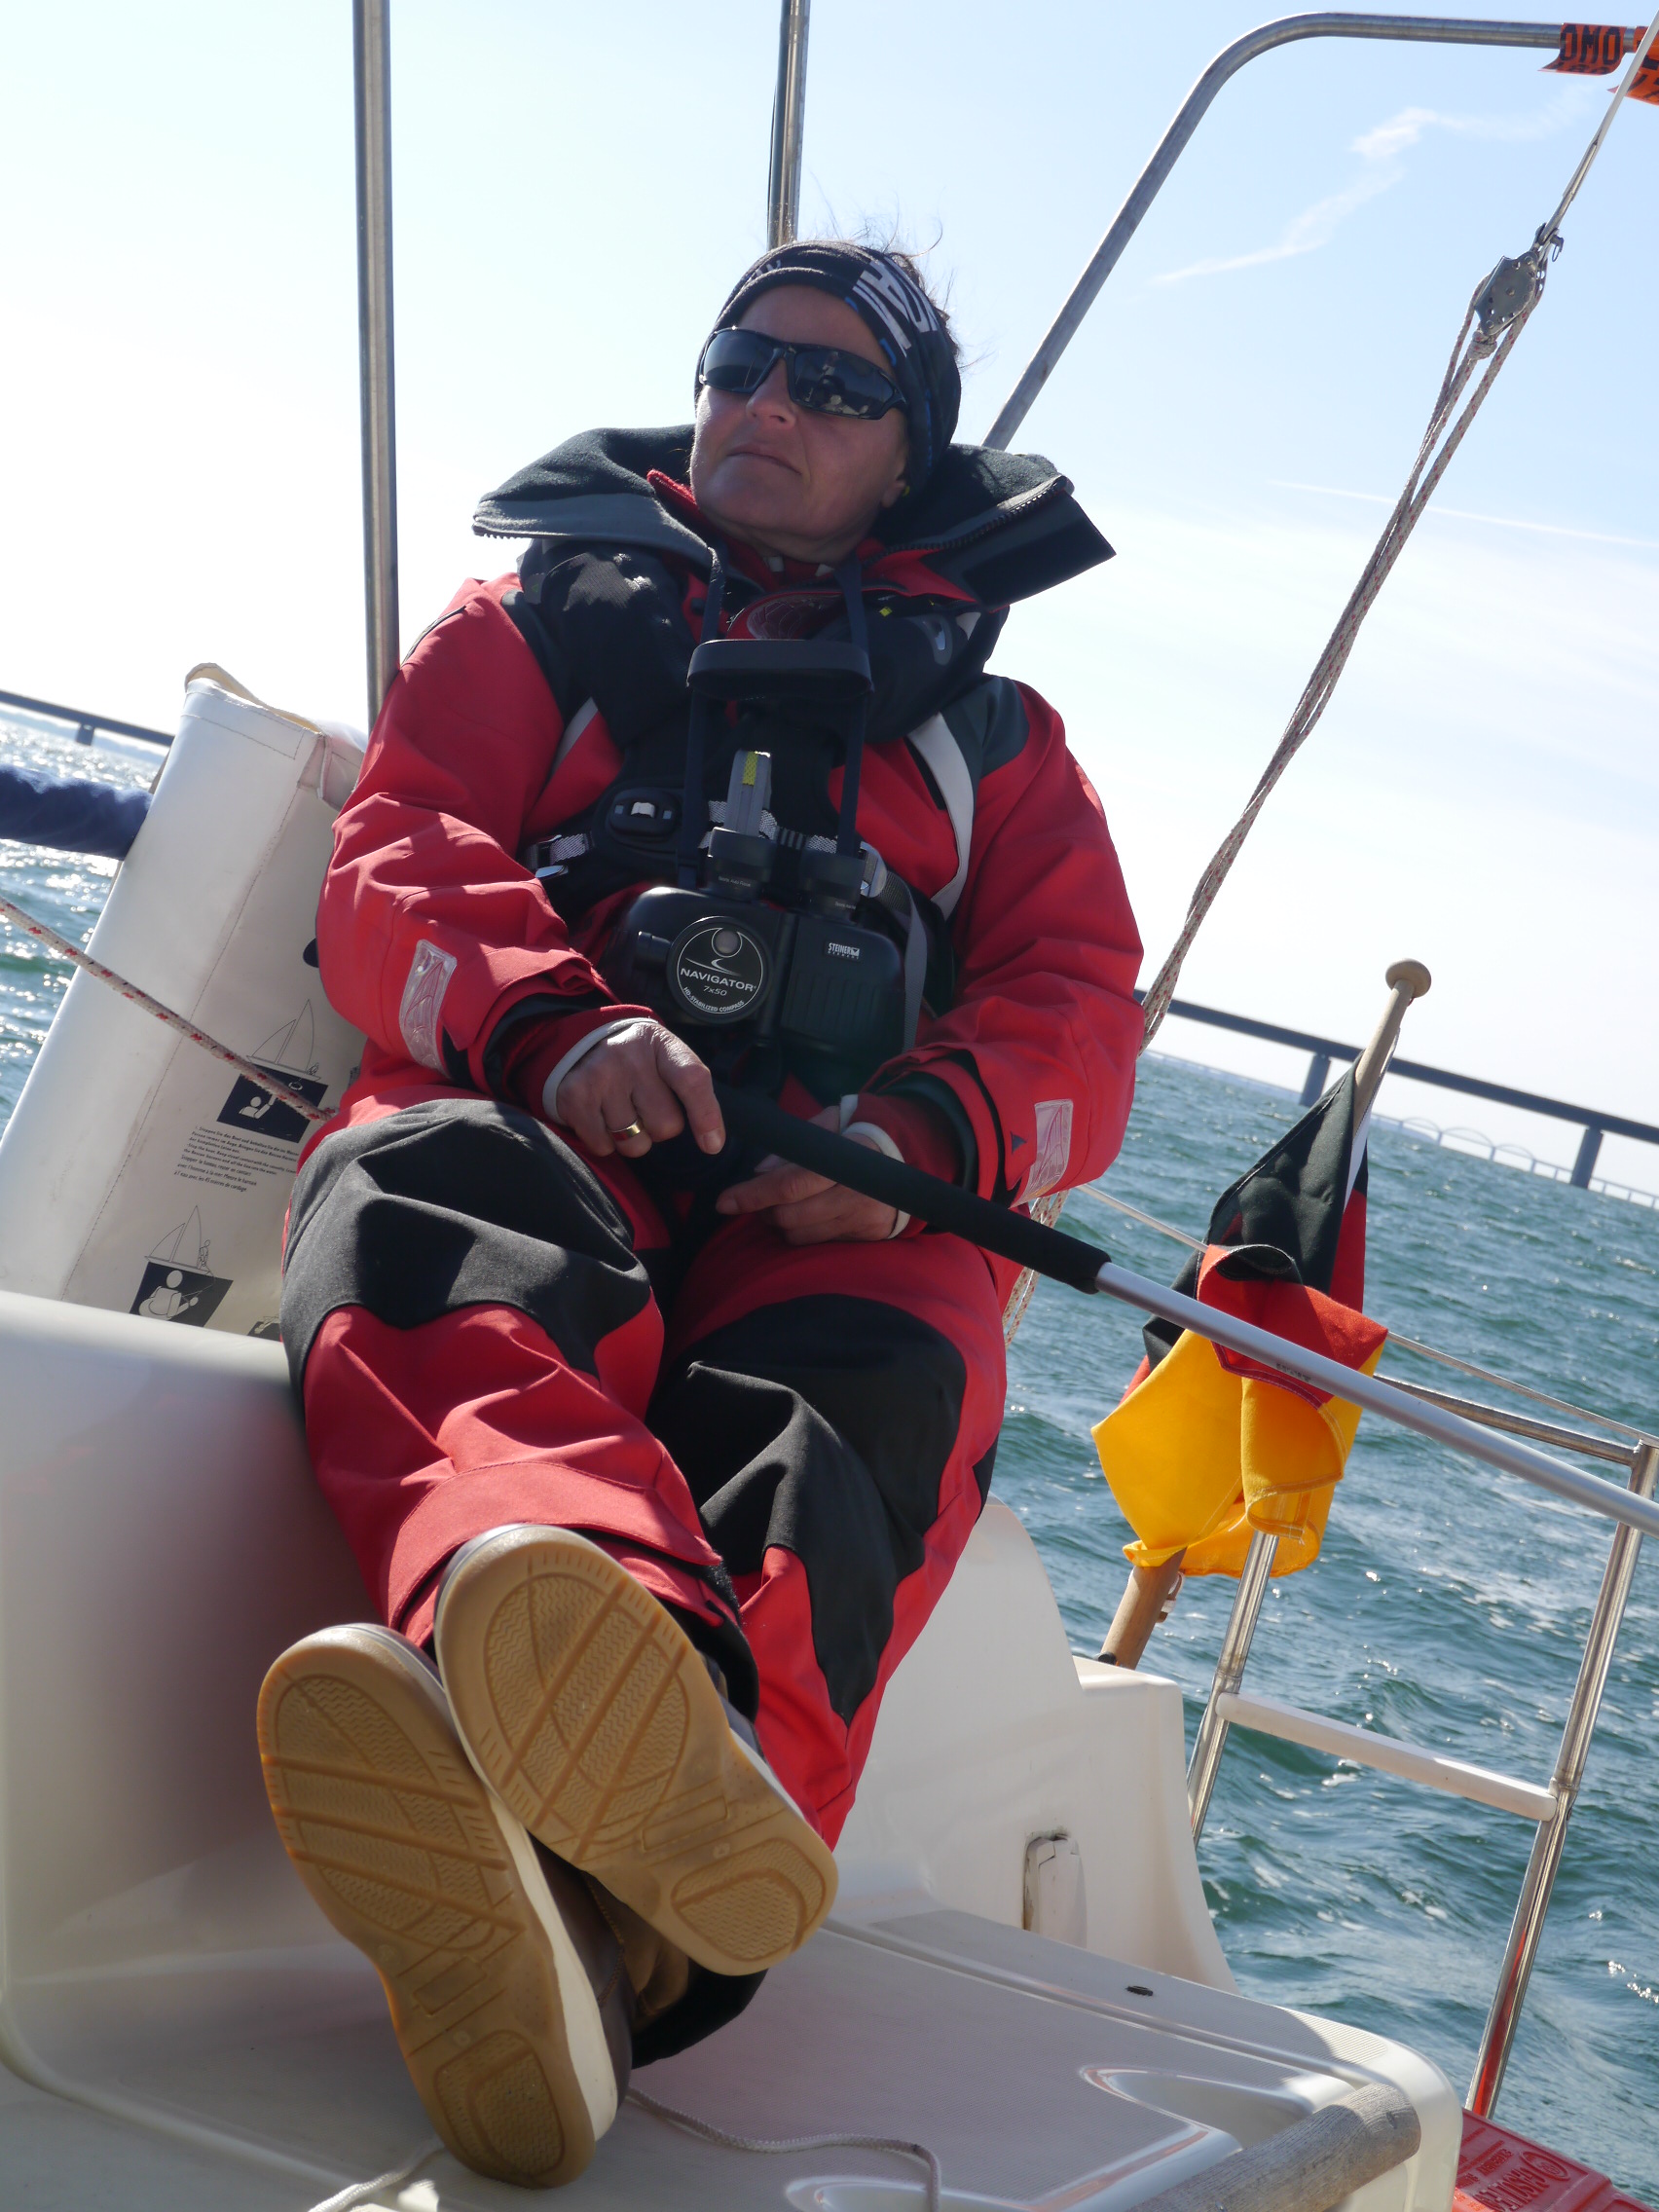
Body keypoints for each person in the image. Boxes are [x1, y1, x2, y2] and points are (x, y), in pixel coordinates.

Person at [257, 240, 1143, 2190]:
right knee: (421, 1210)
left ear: (909, 454)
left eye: (835, 386)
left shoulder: (1001, 750)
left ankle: (616, 1910)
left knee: (883, 1388)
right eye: (745, 362)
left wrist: (923, 1126)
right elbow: (402, 845)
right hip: (544, 1111)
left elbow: (1079, 1007)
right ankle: (611, 1805)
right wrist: (554, 1019)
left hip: (837, 1202)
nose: (770, 404)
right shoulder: (534, 628)